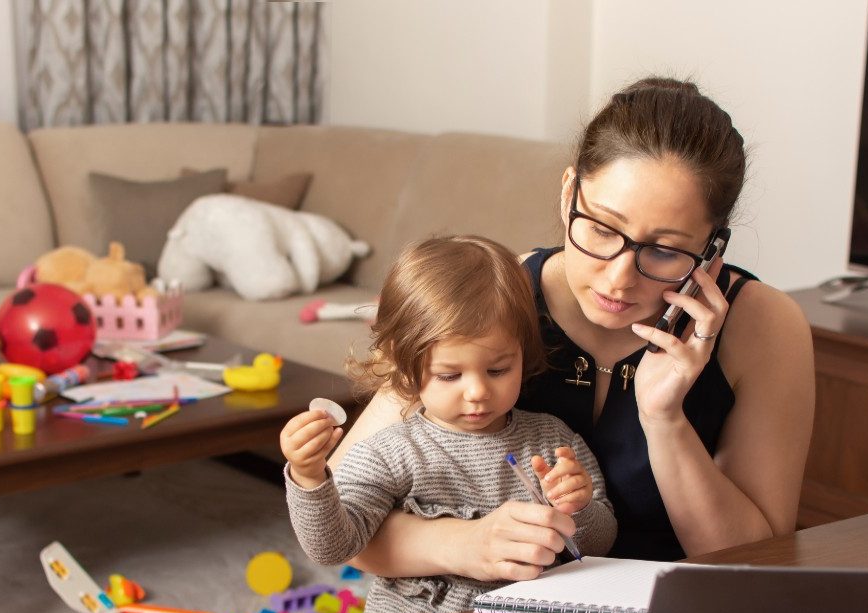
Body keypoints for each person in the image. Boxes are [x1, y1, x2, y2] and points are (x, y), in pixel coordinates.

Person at [336, 76, 815, 579]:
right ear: (569, 195)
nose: (618, 277)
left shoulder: (765, 327)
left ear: (713, 248)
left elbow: (758, 566)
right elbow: (338, 527)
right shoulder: (494, 295)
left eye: (665, 250)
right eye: (603, 230)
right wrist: (465, 543)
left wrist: (664, 420)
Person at [279, 235, 618, 613]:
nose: (477, 392)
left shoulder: (552, 439)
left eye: (498, 370)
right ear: (406, 368)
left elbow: (600, 545)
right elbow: (333, 546)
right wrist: (309, 478)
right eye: (449, 375)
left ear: (523, 352)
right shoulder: (390, 452)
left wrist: (578, 508)